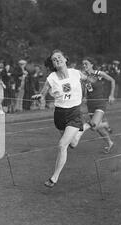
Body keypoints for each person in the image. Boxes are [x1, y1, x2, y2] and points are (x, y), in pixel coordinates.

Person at [32, 50, 88, 188]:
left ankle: (54, 178)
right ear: (53, 64)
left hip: (74, 113)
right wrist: (40, 96)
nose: (57, 60)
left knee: (62, 145)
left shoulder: (76, 73)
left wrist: (89, 88)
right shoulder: (52, 77)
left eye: (59, 57)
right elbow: (44, 92)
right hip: (60, 114)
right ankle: (83, 128)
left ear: (65, 59)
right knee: (73, 144)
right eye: (54, 59)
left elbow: (88, 80)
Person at [70, 57, 115, 153]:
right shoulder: (84, 77)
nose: (84, 65)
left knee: (93, 125)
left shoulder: (99, 74)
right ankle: (110, 142)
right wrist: (84, 97)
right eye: (83, 64)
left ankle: (79, 133)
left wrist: (111, 95)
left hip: (100, 103)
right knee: (96, 129)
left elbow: (112, 81)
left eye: (86, 63)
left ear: (92, 65)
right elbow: (86, 89)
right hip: (90, 104)